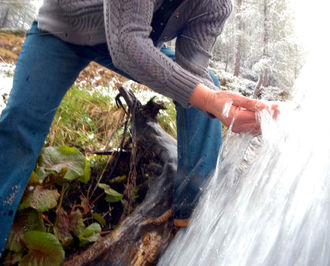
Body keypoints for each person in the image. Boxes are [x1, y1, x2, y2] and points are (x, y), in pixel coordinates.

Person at [0, 0, 279, 257]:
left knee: (209, 87)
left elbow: (192, 71)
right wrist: (211, 101)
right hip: (64, 30)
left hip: (133, 42)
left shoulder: (214, 6)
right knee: (20, 126)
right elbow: (127, 43)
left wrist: (225, 108)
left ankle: (196, 216)